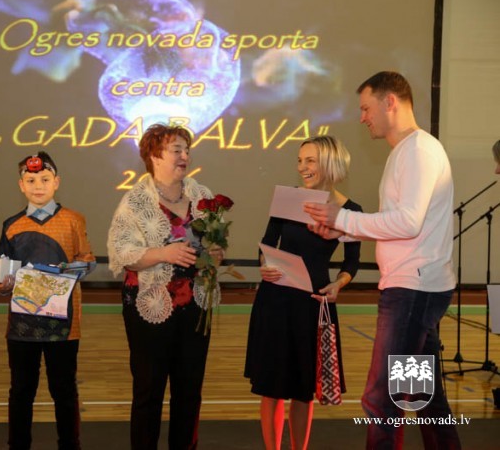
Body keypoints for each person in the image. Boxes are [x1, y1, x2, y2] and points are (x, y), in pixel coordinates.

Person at [304, 71, 461, 449]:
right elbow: (398, 222)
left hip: (413, 290)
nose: (362, 117)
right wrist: (342, 232)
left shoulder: (419, 151)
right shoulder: (407, 151)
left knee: (381, 400)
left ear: (390, 102)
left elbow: (408, 222)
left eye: (366, 108)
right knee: (422, 397)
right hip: (414, 286)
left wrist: (342, 219)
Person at [107, 123, 225, 450]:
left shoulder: (201, 195)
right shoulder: (136, 201)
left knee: (189, 391)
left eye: (187, 150)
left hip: (195, 306)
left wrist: (216, 253)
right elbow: (122, 254)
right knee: (149, 390)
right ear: (155, 155)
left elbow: (214, 244)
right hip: (150, 305)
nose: (185, 156)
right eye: (177, 150)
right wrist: (163, 253)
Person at [244, 136, 361, 450]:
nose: (302, 167)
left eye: (310, 160)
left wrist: (339, 283)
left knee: (303, 389)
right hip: (275, 300)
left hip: (313, 304)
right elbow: (267, 244)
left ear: (329, 162)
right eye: (300, 160)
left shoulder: (349, 210)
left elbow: (351, 262)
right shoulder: (288, 198)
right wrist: (264, 265)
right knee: (271, 387)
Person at [0, 151, 96, 450]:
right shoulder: (11, 225)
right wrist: (2, 284)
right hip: (21, 324)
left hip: (64, 324)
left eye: (45, 179)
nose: (38, 186)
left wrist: (63, 271)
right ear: (21, 185)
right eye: (31, 180)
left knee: (64, 390)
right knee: (21, 390)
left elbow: (88, 260)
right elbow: (0, 277)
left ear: (56, 182)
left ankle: (70, 445)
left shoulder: (74, 220)